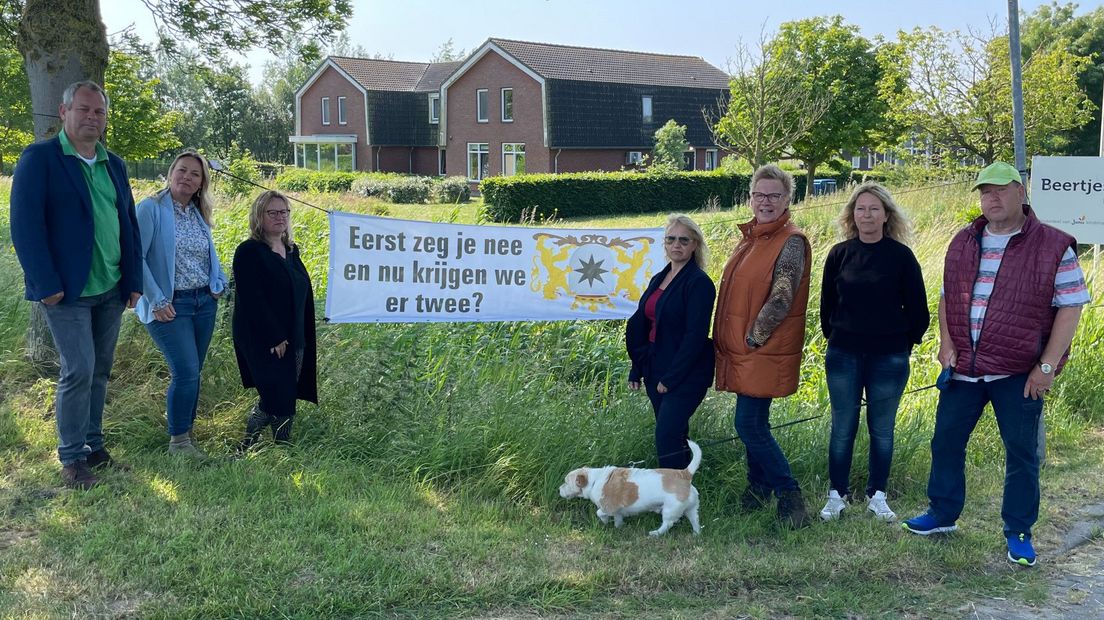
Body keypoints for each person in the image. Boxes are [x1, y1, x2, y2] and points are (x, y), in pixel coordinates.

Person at [902, 162, 1088, 568]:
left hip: (1018, 371)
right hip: (965, 369)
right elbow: (949, 296)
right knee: (946, 442)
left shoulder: (1054, 244)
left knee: (1021, 452)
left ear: (1021, 192)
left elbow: (1071, 306)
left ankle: (1019, 531)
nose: (992, 198)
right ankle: (942, 514)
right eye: (985, 192)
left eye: (1001, 190)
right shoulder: (963, 241)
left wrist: (1047, 367)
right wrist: (946, 343)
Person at [9, 81, 142, 489]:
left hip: (110, 286)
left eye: (99, 112)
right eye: (83, 110)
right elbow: (25, 227)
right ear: (64, 113)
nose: (91, 118)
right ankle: (71, 459)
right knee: (79, 369)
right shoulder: (40, 159)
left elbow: (128, 225)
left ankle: (94, 447)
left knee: (100, 370)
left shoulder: (113, 164)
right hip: (66, 291)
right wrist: (45, 284)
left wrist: (133, 280)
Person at [818, 183, 930, 522]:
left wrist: (902, 343)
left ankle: (877, 495)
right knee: (842, 427)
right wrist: (837, 337)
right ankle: (836, 495)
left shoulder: (901, 256)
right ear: (852, 215)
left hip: (889, 358)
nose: (866, 215)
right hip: (843, 355)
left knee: (882, 429)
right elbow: (826, 306)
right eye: (860, 208)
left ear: (886, 216)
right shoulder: (839, 254)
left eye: (873, 209)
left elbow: (918, 310)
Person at [714, 164, 813, 528]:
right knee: (755, 422)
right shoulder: (754, 237)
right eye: (759, 194)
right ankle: (757, 490)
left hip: (761, 348)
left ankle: (790, 496)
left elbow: (782, 295)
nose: (765, 201)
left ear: (788, 198)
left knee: (749, 425)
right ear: (750, 197)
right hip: (745, 349)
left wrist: (755, 337)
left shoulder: (789, 240)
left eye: (774, 195)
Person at [135, 151, 228, 459]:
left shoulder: (198, 213)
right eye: (182, 170)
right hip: (170, 305)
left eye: (195, 174)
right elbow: (136, 257)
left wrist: (218, 283)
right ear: (170, 172)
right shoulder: (151, 208)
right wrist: (156, 299)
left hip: (203, 302)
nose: (187, 177)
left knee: (194, 371)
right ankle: (179, 443)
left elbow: (207, 255)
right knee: (186, 371)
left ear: (202, 183)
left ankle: (187, 433)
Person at [626, 214, 716, 469]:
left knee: (666, 435)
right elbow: (644, 324)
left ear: (694, 245)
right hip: (655, 365)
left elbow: (695, 336)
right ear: (665, 244)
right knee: (674, 434)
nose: (677, 245)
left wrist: (672, 378)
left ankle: (672, 495)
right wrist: (638, 367)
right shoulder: (659, 278)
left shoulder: (699, 283)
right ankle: (685, 491)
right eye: (671, 239)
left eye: (684, 240)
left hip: (686, 372)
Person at [232, 190, 318, 449]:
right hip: (264, 337)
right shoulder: (249, 252)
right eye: (273, 212)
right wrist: (274, 336)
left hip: (296, 334)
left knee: (287, 393)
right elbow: (252, 299)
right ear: (259, 216)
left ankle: (281, 447)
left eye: (284, 212)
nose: (280, 217)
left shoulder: (291, 250)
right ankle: (248, 445)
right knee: (274, 394)